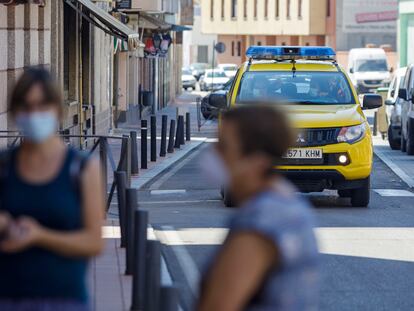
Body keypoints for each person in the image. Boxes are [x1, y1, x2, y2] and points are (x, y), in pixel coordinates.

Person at [0, 68, 104, 310]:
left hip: (65, 299)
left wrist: (40, 235)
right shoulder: (4, 166)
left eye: (42, 105)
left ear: (57, 110)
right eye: (26, 106)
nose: (34, 114)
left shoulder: (81, 168)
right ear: (16, 112)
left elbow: (93, 242)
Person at [198, 105, 319, 311]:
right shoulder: (286, 202)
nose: (214, 155)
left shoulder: (261, 222)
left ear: (257, 162)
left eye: (223, 147)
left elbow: (219, 305)